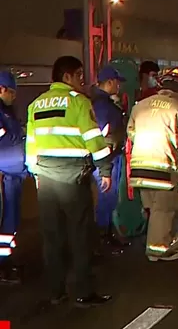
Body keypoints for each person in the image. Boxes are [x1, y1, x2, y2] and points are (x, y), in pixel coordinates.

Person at [26, 56, 113, 307]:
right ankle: (83, 292)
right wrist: (105, 169)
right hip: (74, 178)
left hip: (46, 178)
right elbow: (94, 140)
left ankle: (56, 291)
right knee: (80, 234)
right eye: (79, 75)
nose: (82, 81)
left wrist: (36, 173)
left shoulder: (36, 105)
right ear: (67, 77)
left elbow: (30, 145)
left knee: (52, 237)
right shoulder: (78, 102)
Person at [127, 70, 178, 262]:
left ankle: (165, 242)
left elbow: (131, 133)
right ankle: (157, 251)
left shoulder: (140, 106)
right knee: (163, 210)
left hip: (139, 168)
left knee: (154, 209)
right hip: (164, 167)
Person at [91, 66, 129, 248]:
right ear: (110, 82)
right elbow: (99, 135)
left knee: (108, 197)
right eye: (117, 82)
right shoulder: (102, 105)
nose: (119, 86)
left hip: (108, 156)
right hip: (106, 158)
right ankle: (102, 237)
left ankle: (104, 234)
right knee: (106, 196)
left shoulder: (103, 102)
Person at [0, 71, 28, 284]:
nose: (14, 96)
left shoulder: (7, 112)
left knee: (11, 220)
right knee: (4, 221)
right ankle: (2, 267)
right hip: (4, 175)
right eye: (12, 92)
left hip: (13, 176)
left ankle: (6, 261)